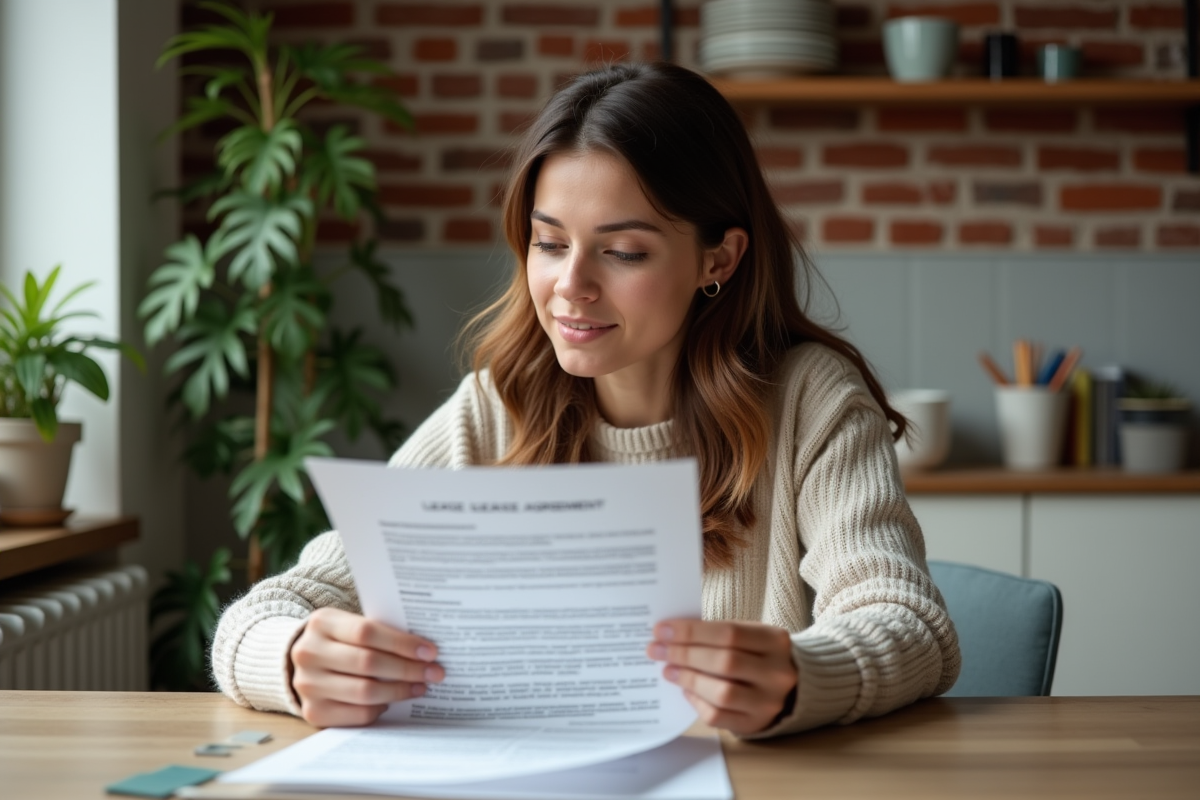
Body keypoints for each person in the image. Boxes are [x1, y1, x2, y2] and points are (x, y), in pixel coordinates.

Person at [211, 62, 960, 739]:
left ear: (718, 258)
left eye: (623, 251)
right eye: (548, 242)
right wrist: (294, 660)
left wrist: (802, 676)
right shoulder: (496, 408)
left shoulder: (811, 403)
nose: (571, 285)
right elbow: (268, 610)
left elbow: (911, 625)